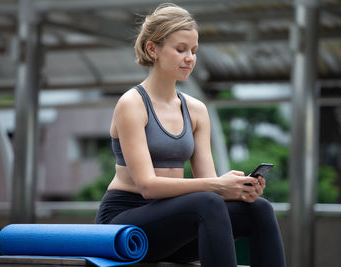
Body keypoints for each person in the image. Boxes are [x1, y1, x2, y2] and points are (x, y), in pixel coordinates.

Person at [95, 3, 286, 267]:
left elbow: (209, 183)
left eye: (194, 51)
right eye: (180, 49)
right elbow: (148, 187)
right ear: (153, 49)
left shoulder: (196, 110)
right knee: (207, 201)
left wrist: (237, 190)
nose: (190, 58)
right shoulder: (132, 104)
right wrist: (217, 186)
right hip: (127, 223)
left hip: (179, 224)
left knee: (259, 209)